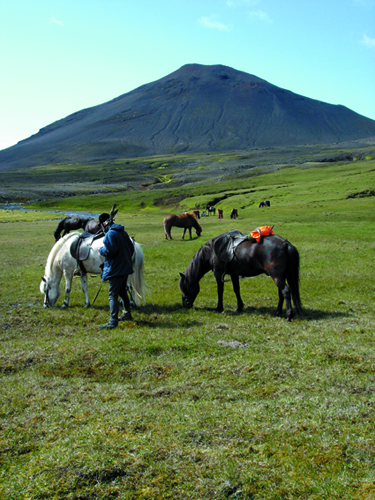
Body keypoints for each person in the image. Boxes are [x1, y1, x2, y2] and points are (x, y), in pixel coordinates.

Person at [98, 215, 134, 329]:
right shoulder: (123, 232)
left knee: (112, 294)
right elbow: (131, 248)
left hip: (115, 269)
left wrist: (101, 250)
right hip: (125, 268)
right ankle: (127, 314)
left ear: (103, 224)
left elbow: (110, 251)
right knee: (122, 291)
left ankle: (113, 321)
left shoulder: (110, 234)